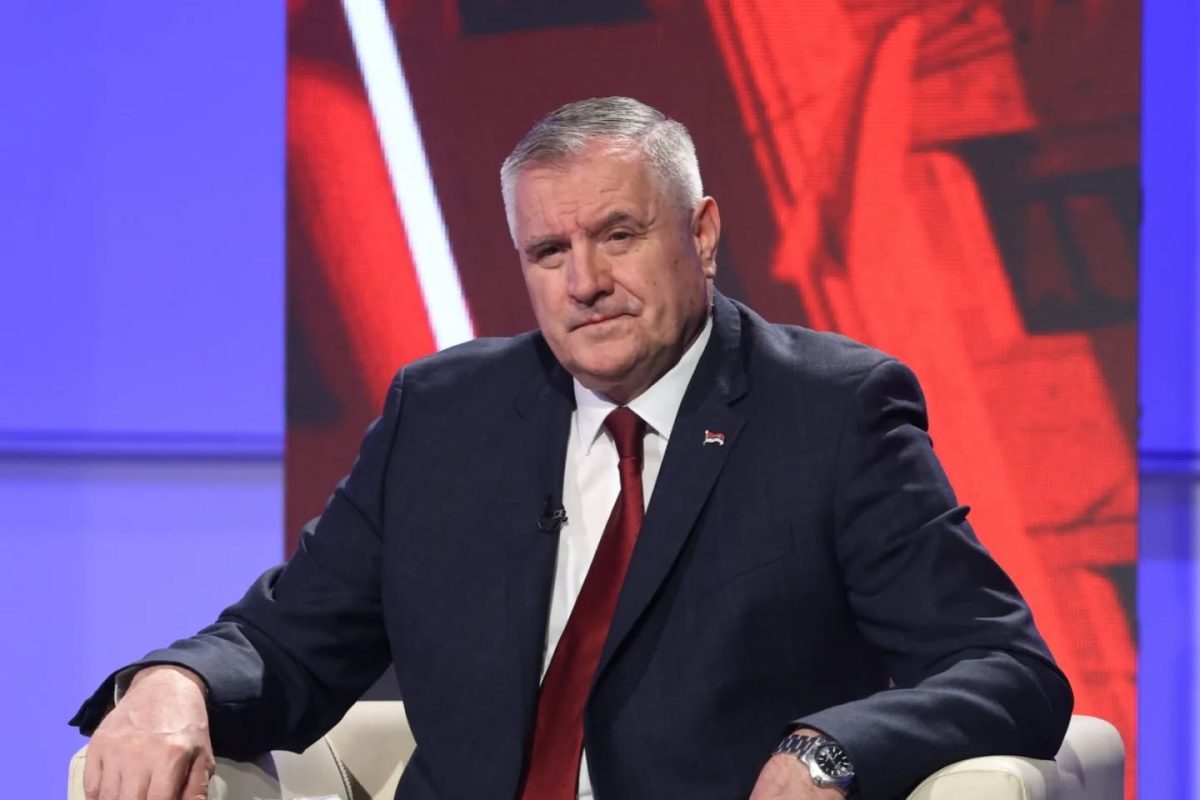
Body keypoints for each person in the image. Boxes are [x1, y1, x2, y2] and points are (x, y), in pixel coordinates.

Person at [72, 96, 1072, 800]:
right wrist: (170, 684)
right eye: (549, 252)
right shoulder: (444, 413)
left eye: (618, 235)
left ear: (703, 233)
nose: (584, 282)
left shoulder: (832, 410)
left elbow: (1005, 666)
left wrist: (830, 748)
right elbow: (289, 640)